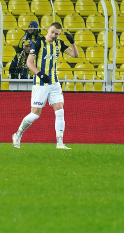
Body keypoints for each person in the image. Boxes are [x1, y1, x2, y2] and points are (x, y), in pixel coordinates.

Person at [12, 22, 79, 150]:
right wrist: (40, 74)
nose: (54, 35)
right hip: (41, 83)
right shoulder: (38, 43)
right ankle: (17, 134)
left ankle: (60, 143)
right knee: (35, 114)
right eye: (52, 32)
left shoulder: (59, 44)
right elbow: (29, 62)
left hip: (54, 82)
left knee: (60, 111)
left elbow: (75, 55)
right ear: (48, 30)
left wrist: (72, 43)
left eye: (57, 34)